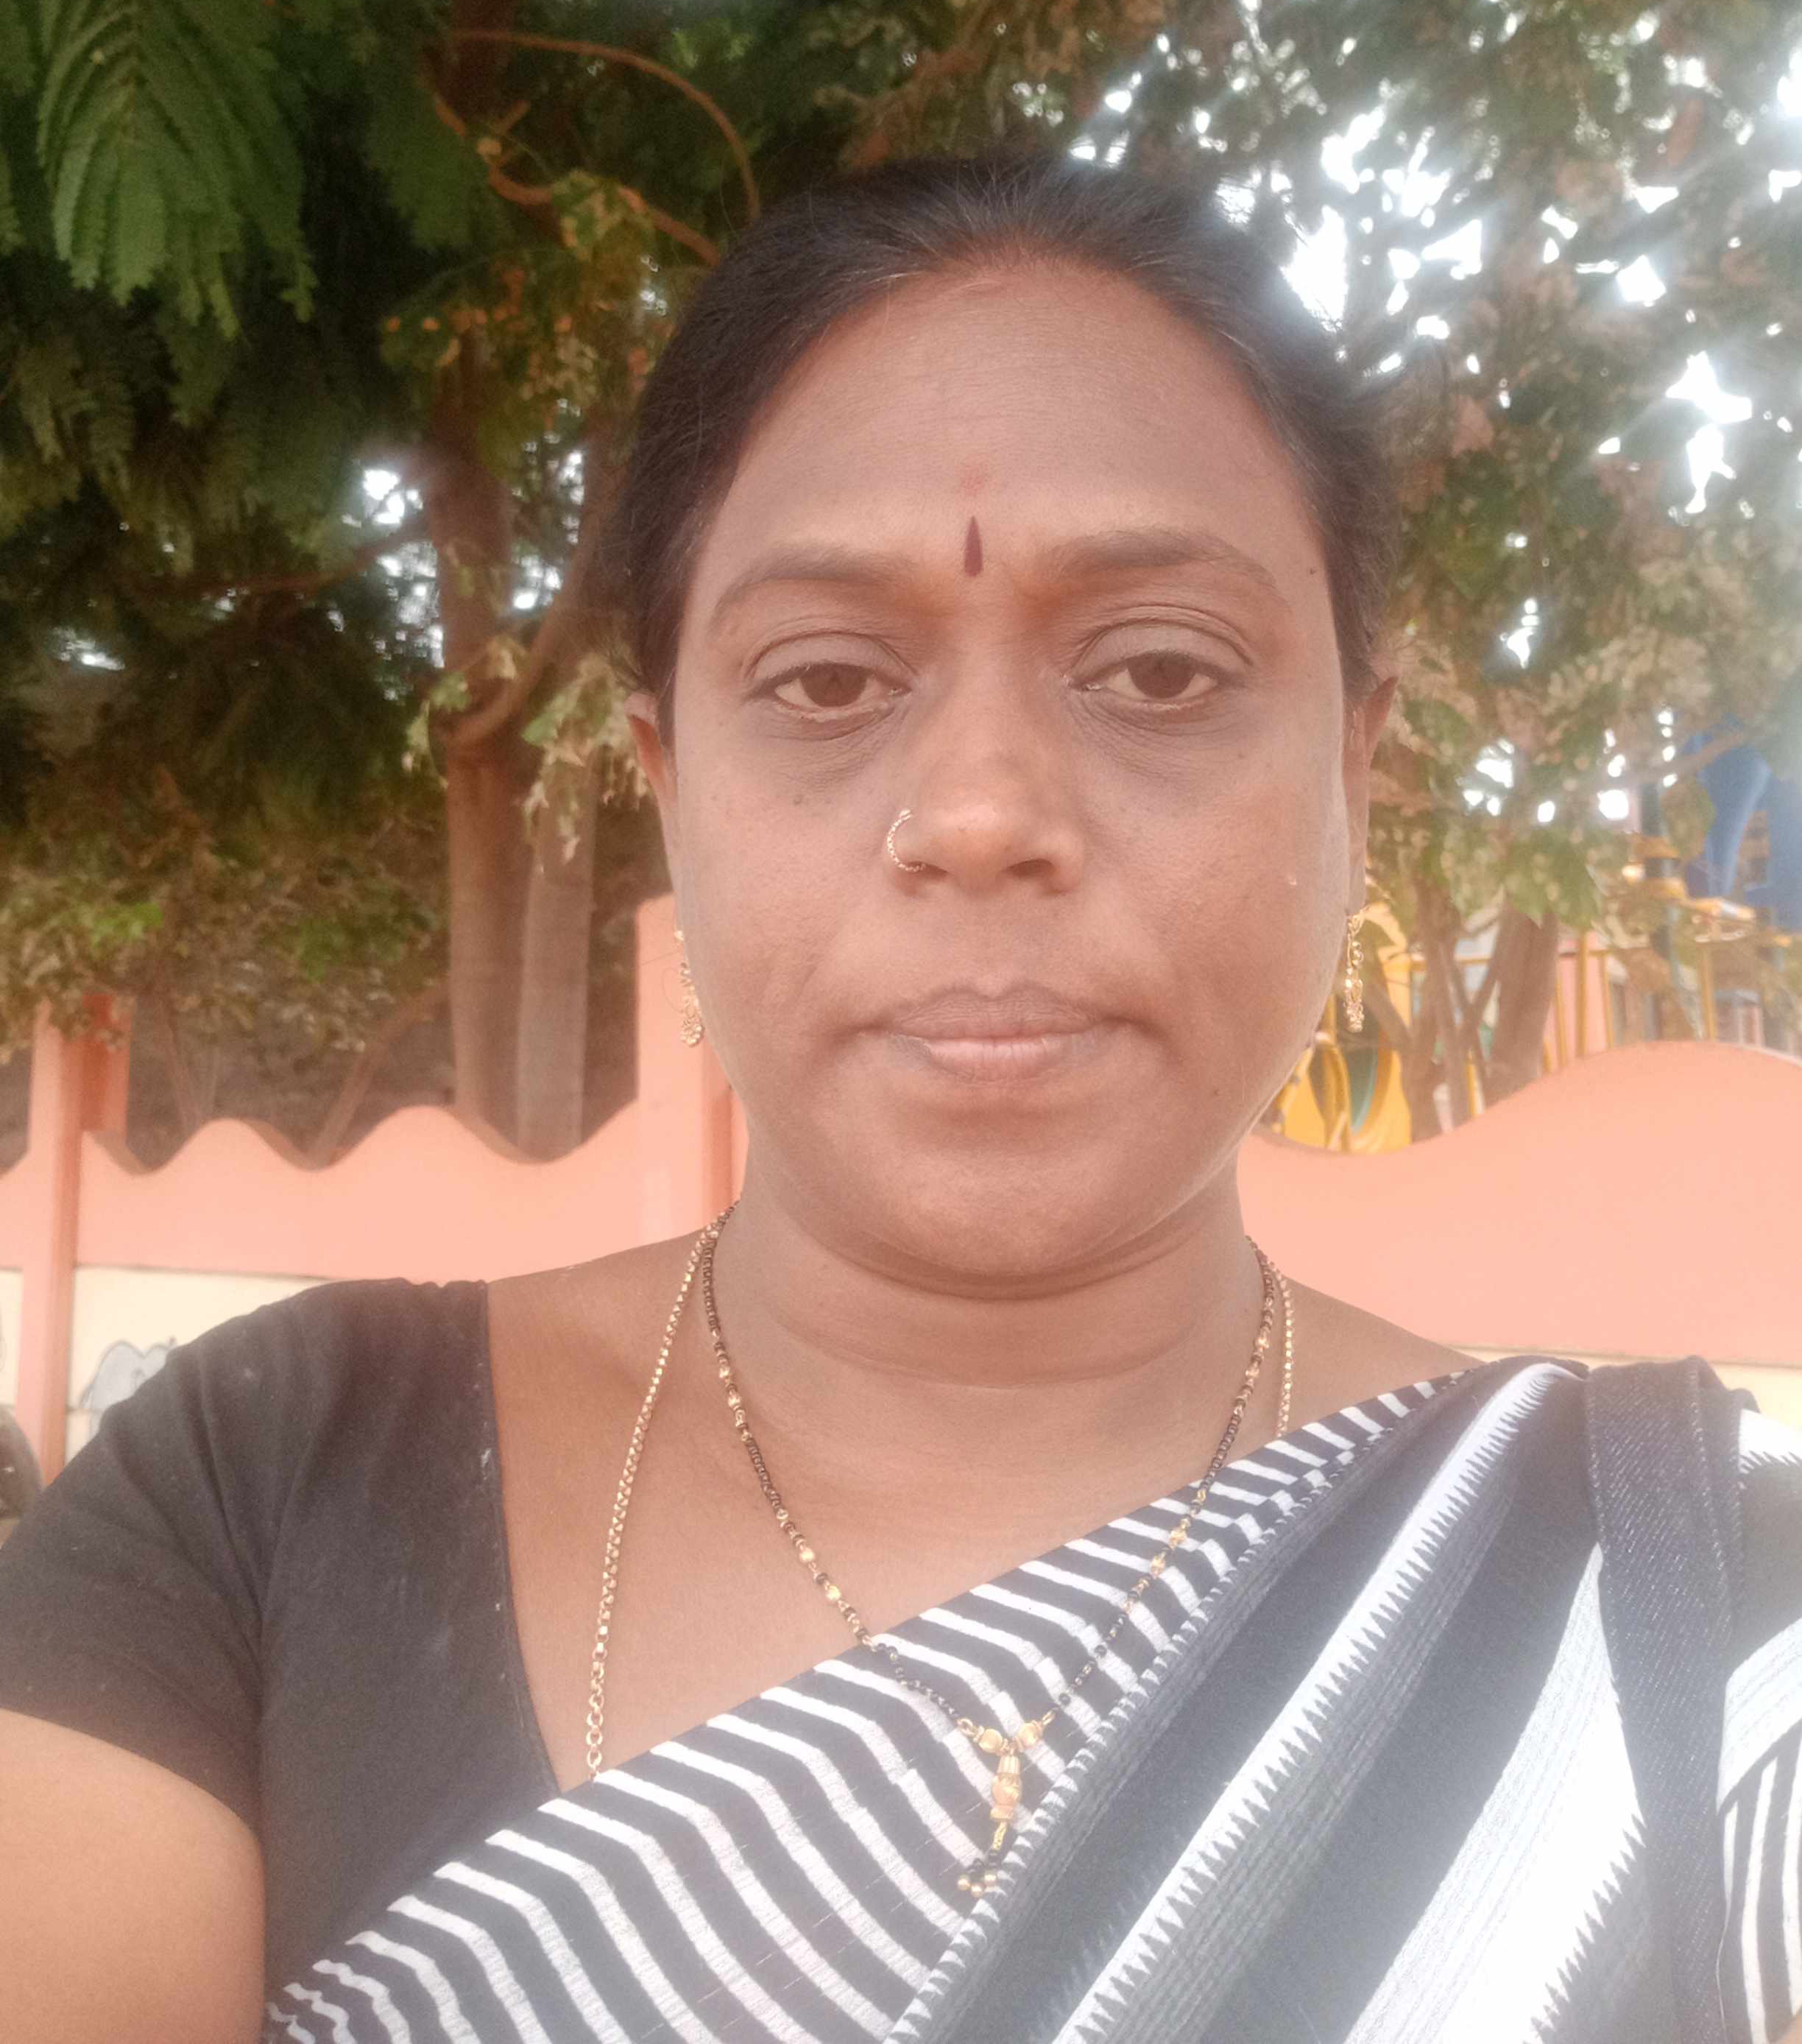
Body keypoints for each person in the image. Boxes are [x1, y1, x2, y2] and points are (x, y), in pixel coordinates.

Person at [1, 153, 1798, 2044]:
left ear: (1354, 767)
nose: (983, 813)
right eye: (827, 681)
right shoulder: (265, 1497)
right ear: (667, 783)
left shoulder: (1685, 1605)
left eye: (1160, 668)